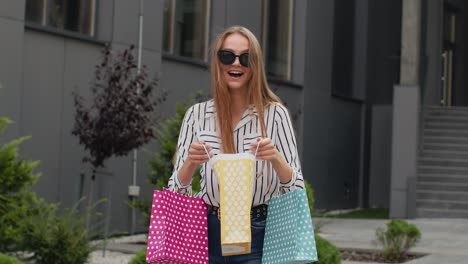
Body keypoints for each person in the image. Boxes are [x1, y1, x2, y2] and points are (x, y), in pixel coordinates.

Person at [168, 25, 304, 263]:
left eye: (246, 58)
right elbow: (176, 191)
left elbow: (296, 189)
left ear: (256, 65)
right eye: (227, 56)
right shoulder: (197, 115)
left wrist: (275, 158)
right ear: (217, 61)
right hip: (207, 231)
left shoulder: (275, 115)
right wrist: (190, 162)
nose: (236, 64)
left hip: (259, 231)